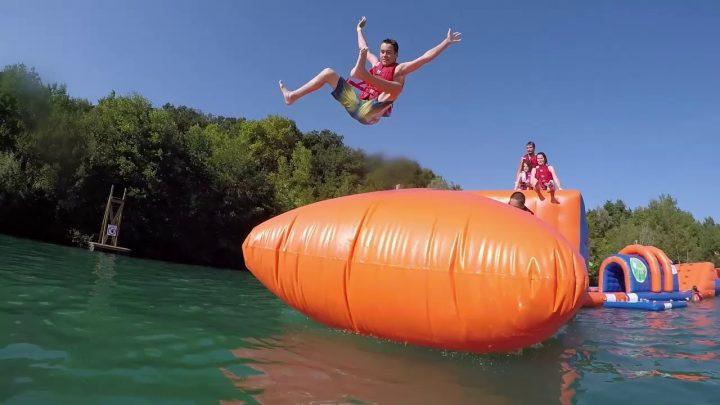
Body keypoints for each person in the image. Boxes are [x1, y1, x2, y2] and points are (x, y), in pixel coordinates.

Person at [279, 16, 462, 125]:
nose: (384, 56)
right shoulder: (376, 63)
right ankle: (292, 97)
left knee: (395, 89)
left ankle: (361, 75)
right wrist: (359, 29)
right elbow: (363, 47)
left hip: (372, 113)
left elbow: (425, 58)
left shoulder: (399, 68)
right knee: (328, 72)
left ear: (395, 55)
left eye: (388, 53)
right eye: (382, 52)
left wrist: (446, 42)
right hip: (357, 105)